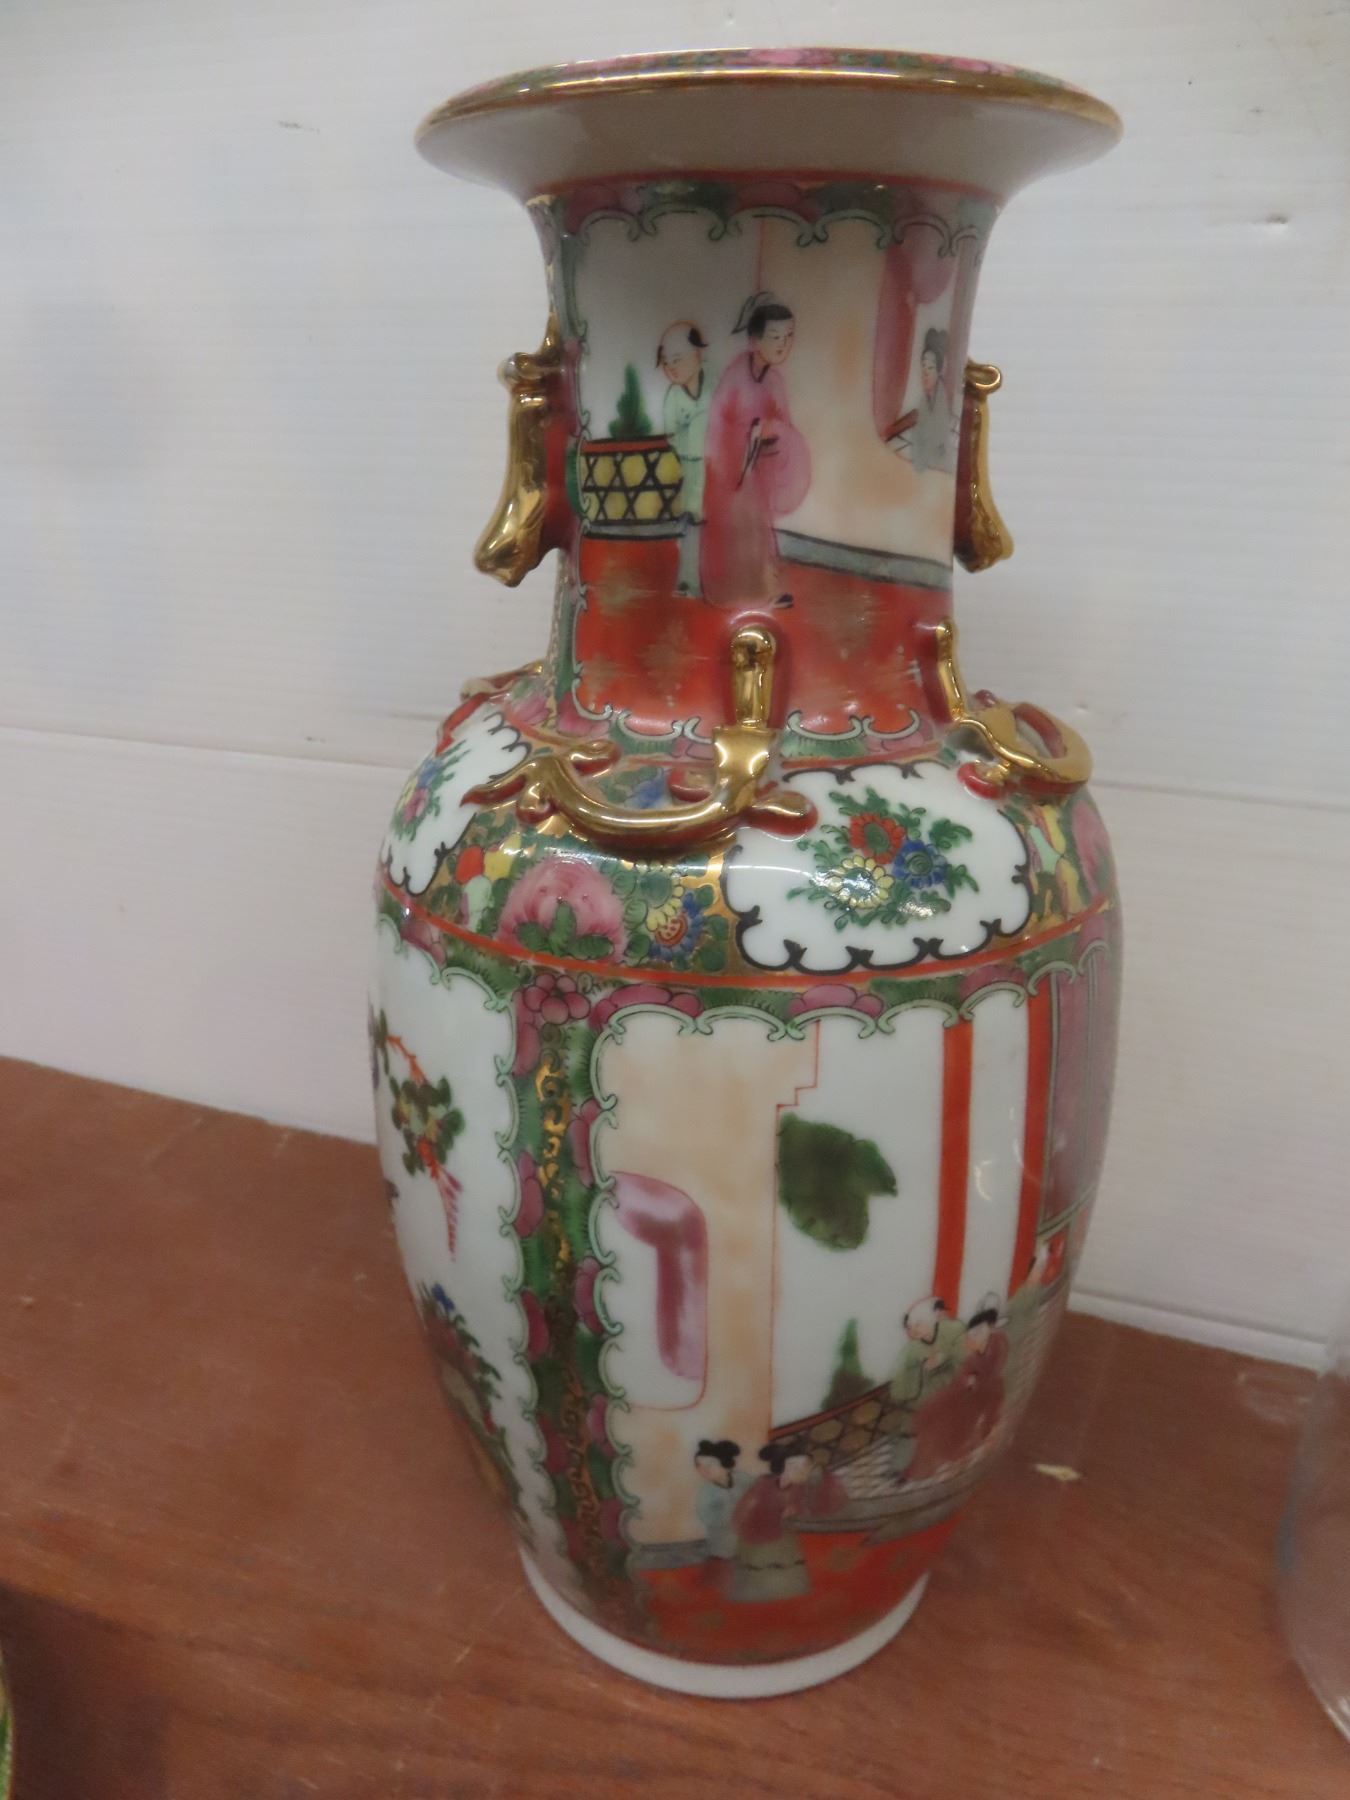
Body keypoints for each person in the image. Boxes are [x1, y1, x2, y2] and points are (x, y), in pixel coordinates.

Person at [700, 293, 810, 607]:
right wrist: (745, 438)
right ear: (753, 340)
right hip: (731, 469)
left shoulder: (775, 381)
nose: (783, 345)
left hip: (758, 467)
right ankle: (732, 592)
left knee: (759, 533)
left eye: (788, 337)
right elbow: (718, 424)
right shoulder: (735, 375)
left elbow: (784, 426)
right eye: (775, 337)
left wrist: (773, 432)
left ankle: (763, 591)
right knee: (736, 531)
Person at [906, 1293, 1011, 1482]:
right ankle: (921, 1467)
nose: (974, 1336)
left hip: (977, 1403)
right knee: (934, 1418)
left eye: (980, 1332)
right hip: (961, 1398)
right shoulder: (970, 1357)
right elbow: (958, 1379)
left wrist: (974, 1384)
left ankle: (933, 1465)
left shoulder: (996, 1348)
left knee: (947, 1427)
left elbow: (992, 1384)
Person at [728, 1440, 845, 1602]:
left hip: (784, 1533)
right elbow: (744, 1510)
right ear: (782, 1466)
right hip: (758, 1534)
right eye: (795, 1466)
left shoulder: (799, 1487)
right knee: (759, 1567)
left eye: (806, 1466)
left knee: (787, 1566)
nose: (802, 1471)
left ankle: (787, 1593)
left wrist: (794, 1509)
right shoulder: (763, 1484)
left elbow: (808, 1506)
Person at [658, 323, 711, 597]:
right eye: (667, 363)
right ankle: (689, 581)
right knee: (691, 521)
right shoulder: (673, 397)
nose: (672, 368)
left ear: (697, 355)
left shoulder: (714, 383)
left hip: (717, 467)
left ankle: (717, 581)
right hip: (689, 469)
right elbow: (672, 436)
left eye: (677, 360)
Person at [693, 1438, 753, 1573]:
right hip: (723, 1542)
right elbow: (706, 1517)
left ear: (725, 1462)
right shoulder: (706, 1491)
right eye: (699, 1465)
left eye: (710, 1464)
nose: (704, 1469)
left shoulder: (742, 1478)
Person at [906, 327, 958, 475]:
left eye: (930, 367)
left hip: (937, 465)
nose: (925, 373)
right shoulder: (925, 398)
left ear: (938, 371)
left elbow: (938, 439)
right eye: (923, 366)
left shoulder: (940, 399)